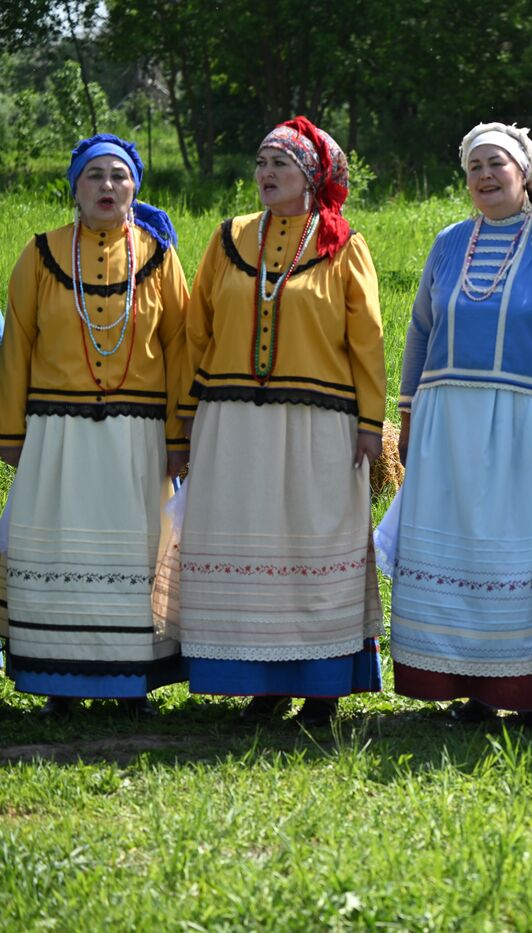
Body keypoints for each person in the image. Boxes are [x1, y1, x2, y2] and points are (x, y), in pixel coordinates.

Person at [384, 123, 532, 730]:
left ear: (526, 173)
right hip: (450, 424)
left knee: (525, 557)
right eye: (474, 166)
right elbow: (420, 332)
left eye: (497, 164)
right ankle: (471, 689)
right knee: (466, 557)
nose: (485, 176)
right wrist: (408, 412)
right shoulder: (449, 243)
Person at [169, 117, 386, 726]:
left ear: (310, 178)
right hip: (232, 423)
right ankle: (259, 683)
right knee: (243, 544)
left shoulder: (343, 245)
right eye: (261, 162)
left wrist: (370, 424)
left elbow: (366, 342)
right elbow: (196, 333)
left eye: (280, 165)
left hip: (320, 424)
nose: (265, 173)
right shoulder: (229, 237)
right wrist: (185, 422)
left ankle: (321, 686)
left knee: (311, 548)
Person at [0, 134, 189, 716]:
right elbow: (18, 347)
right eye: (94, 177)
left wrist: (179, 438)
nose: (107, 187)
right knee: (60, 551)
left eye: (119, 177)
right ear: (75, 188)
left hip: (137, 433)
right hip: (58, 432)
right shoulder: (40, 253)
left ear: (135, 187)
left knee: (134, 552)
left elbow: (182, 346)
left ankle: (132, 680)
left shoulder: (158, 256)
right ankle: (60, 679)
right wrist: (11, 433)